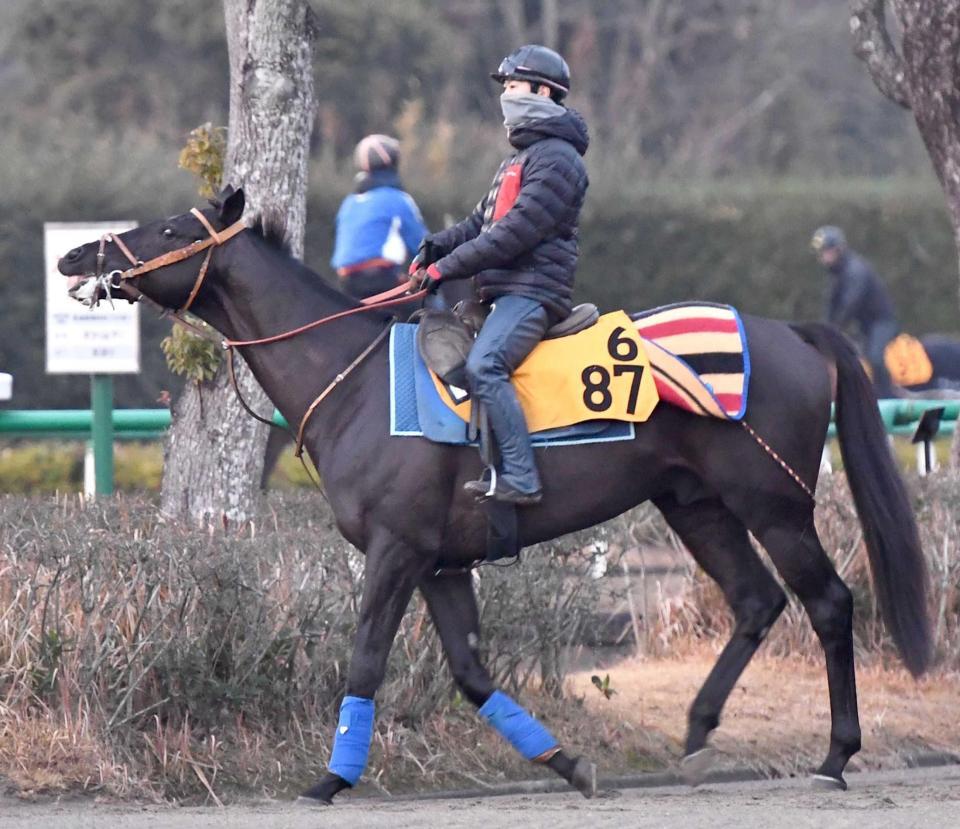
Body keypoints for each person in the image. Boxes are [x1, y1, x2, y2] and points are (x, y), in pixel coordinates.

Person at [409, 45, 590, 505]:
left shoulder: (559, 161)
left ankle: (523, 479)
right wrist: (437, 244)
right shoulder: (517, 160)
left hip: (532, 293)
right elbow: (480, 225)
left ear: (544, 92)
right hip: (503, 291)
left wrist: (442, 270)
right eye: (505, 87)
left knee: (484, 366)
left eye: (513, 86)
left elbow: (512, 236)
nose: (506, 95)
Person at [331, 134, 428, 299]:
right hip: (381, 280)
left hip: (346, 283)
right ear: (393, 163)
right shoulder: (397, 199)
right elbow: (421, 245)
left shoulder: (349, 202)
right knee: (434, 307)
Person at [811, 225, 899, 397]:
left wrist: (834, 329)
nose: (825, 258)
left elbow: (850, 304)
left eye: (828, 252)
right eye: (822, 253)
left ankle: (889, 398)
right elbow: (831, 305)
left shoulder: (855, 270)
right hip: (865, 325)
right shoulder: (836, 273)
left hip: (882, 322)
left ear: (839, 249)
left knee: (875, 357)